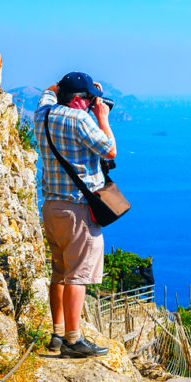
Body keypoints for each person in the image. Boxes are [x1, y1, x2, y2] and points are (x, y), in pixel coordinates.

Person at [34, 71, 117, 358]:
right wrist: (102, 116)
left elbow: (50, 90)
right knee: (77, 276)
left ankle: (57, 333)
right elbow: (109, 150)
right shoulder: (80, 119)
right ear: (79, 100)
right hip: (78, 209)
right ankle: (73, 340)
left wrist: (80, 89)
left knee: (59, 272)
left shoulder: (42, 113)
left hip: (51, 207)